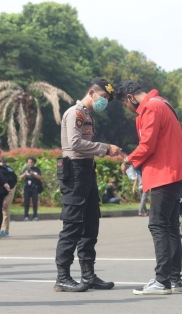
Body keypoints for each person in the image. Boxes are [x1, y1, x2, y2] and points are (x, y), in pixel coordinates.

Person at [116, 80, 182, 295]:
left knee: (158, 226)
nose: (129, 110)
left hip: (164, 174)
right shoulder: (163, 103)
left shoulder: (151, 107)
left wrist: (127, 161)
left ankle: (162, 281)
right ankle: (173, 279)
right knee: (169, 227)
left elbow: (147, 144)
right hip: (175, 173)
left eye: (125, 105)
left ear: (130, 97)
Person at [55, 78, 121, 292]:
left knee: (90, 225)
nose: (105, 102)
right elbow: (74, 143)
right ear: (92, 92)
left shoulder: (88, 115)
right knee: (72, 225)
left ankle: (88, 275)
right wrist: (105, 148)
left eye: (107, 100)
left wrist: (103, 150)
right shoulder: (75, 113)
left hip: (86, 171)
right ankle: (62, 277)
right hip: (74, 172)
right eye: (103, 97)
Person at [19, 156, 42, 221]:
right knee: (26, 202)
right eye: (29, 162)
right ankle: (26, 216)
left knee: (35, 202)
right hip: (27, 188)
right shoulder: (25, 169)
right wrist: (25, 174)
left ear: (34, 162)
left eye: (31, 162)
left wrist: (33, 174)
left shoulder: (37, 169)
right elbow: (20, 177)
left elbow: (40, 177)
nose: (30, 163)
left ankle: (35, 216)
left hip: (35, 187)